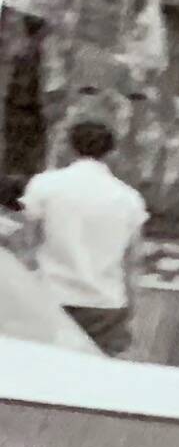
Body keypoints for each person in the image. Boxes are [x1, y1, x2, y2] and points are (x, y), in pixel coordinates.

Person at [19, 120, 148, 356]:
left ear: (69, 147)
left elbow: (28, 246)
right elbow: (133, 261)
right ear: (112, 153)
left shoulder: (43, 186)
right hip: (105, 305)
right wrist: (132, 310)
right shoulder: (129, 198)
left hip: (51, 297)